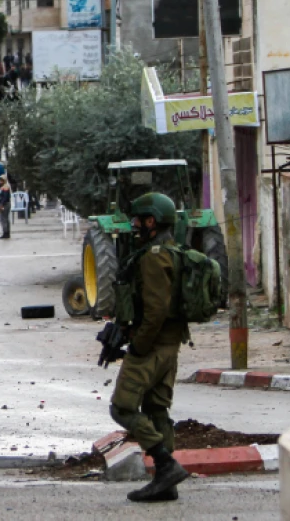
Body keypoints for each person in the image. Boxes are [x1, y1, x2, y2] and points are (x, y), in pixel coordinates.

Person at [110, 192, 191, 503]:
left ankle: (165, 465)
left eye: (139, 219)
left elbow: (155, 310)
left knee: (122, 407)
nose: (134, 225)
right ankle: (165, 483)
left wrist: (138, 346)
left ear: (152, 221)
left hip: (152, 345)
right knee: (156, 409)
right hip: (170, 343)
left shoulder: (153, 257)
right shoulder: (175, 252)